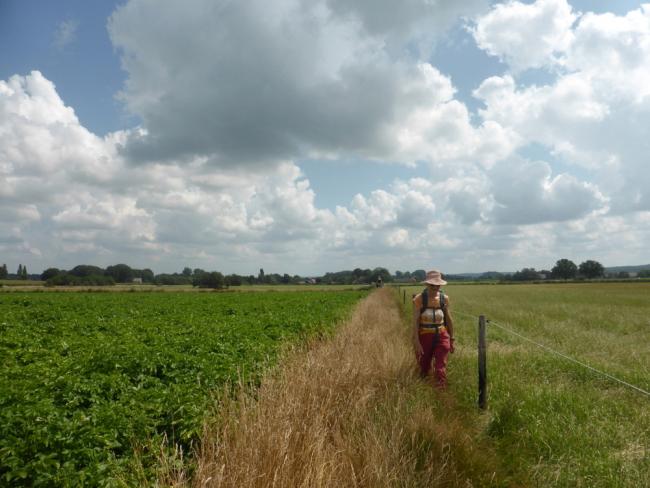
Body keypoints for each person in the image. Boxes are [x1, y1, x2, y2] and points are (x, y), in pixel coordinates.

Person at [412, 269, 455, 388]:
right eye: (432, 285)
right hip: (424, 336)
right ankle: (424, 389)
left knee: (440, 366)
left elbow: (449, 319)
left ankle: (441, 390)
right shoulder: (419, 299)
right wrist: (416, 342)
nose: (435, 287)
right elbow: (415, 322)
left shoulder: (444, 298)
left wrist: (452, 339)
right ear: (427, 284)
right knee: (424, 366)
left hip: (442, 335)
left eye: (438, 284)